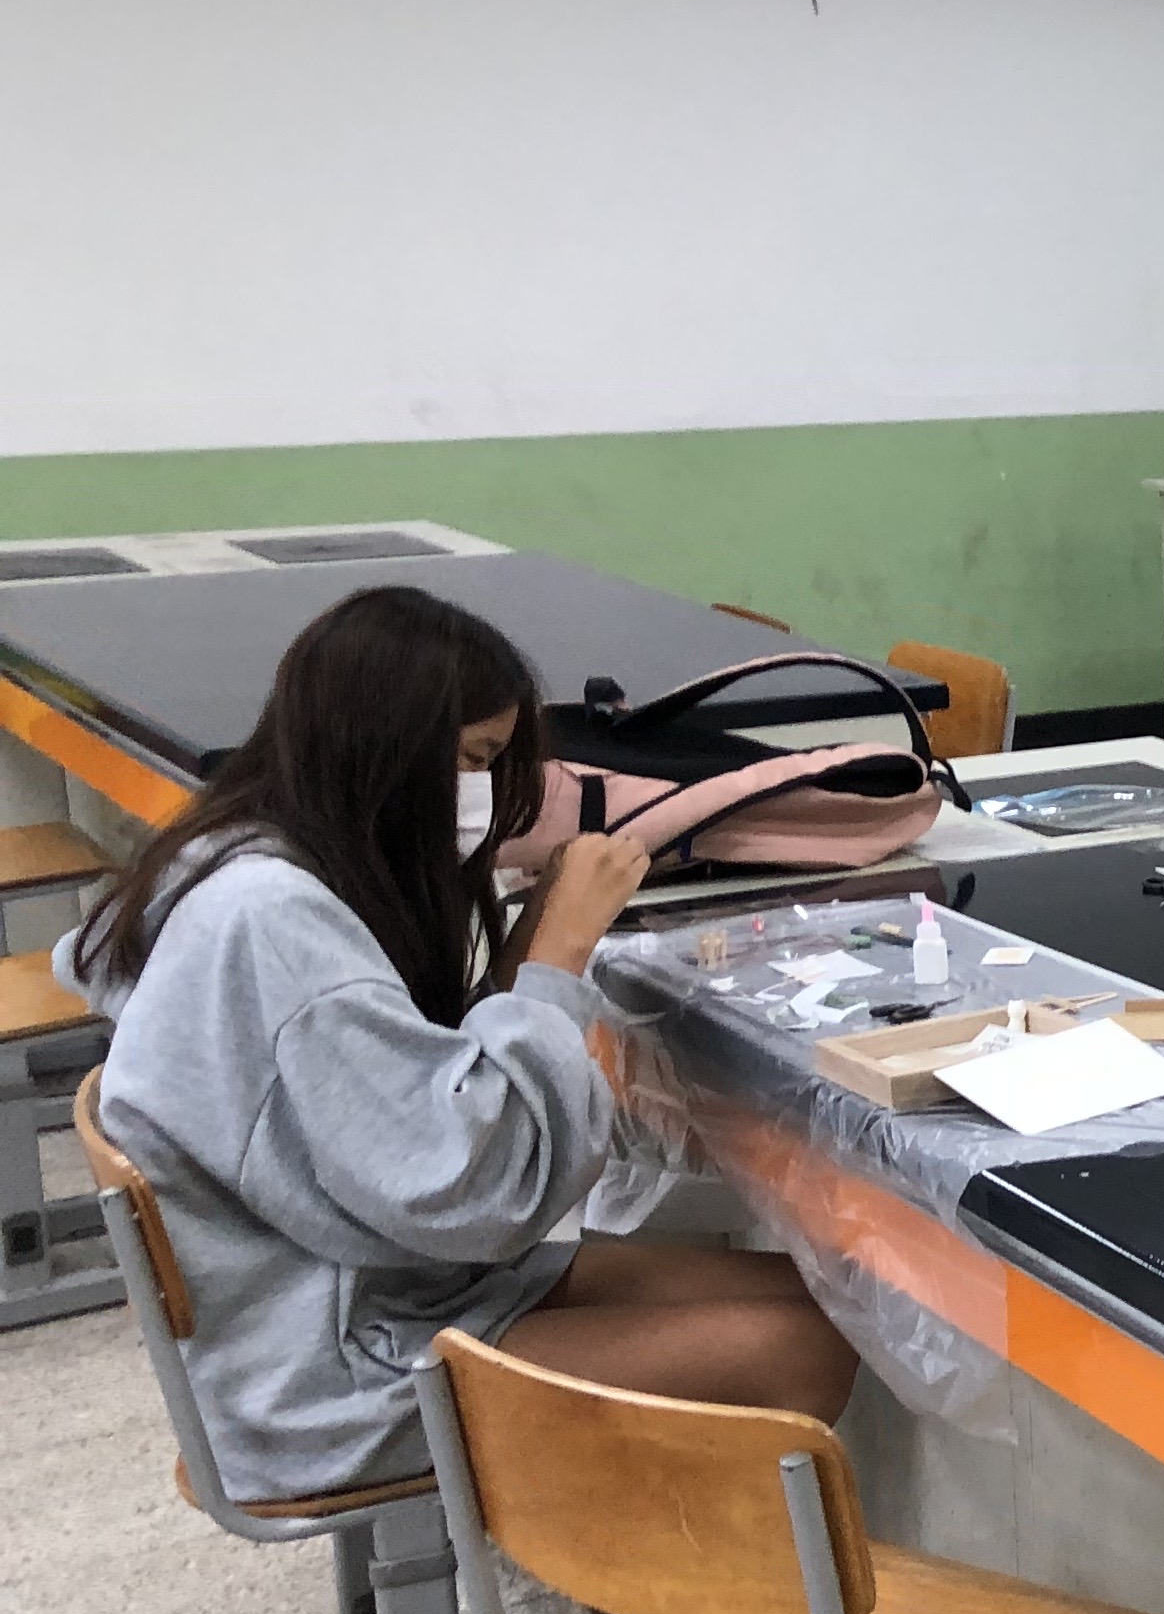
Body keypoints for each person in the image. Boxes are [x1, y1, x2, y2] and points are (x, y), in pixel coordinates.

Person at [63, 585, 861, 1512]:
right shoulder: (275, 927)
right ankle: (650, 1575)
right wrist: (562, 952)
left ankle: (643, 1559)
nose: (484, 791)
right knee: (801, 1351)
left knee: (822, 1302)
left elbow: (424, 1096)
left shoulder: (239, 854)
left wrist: (537, 936)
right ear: (387, 744)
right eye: (476, 759)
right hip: (332, 1381)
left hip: (370, 1289)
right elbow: (477, 1193)